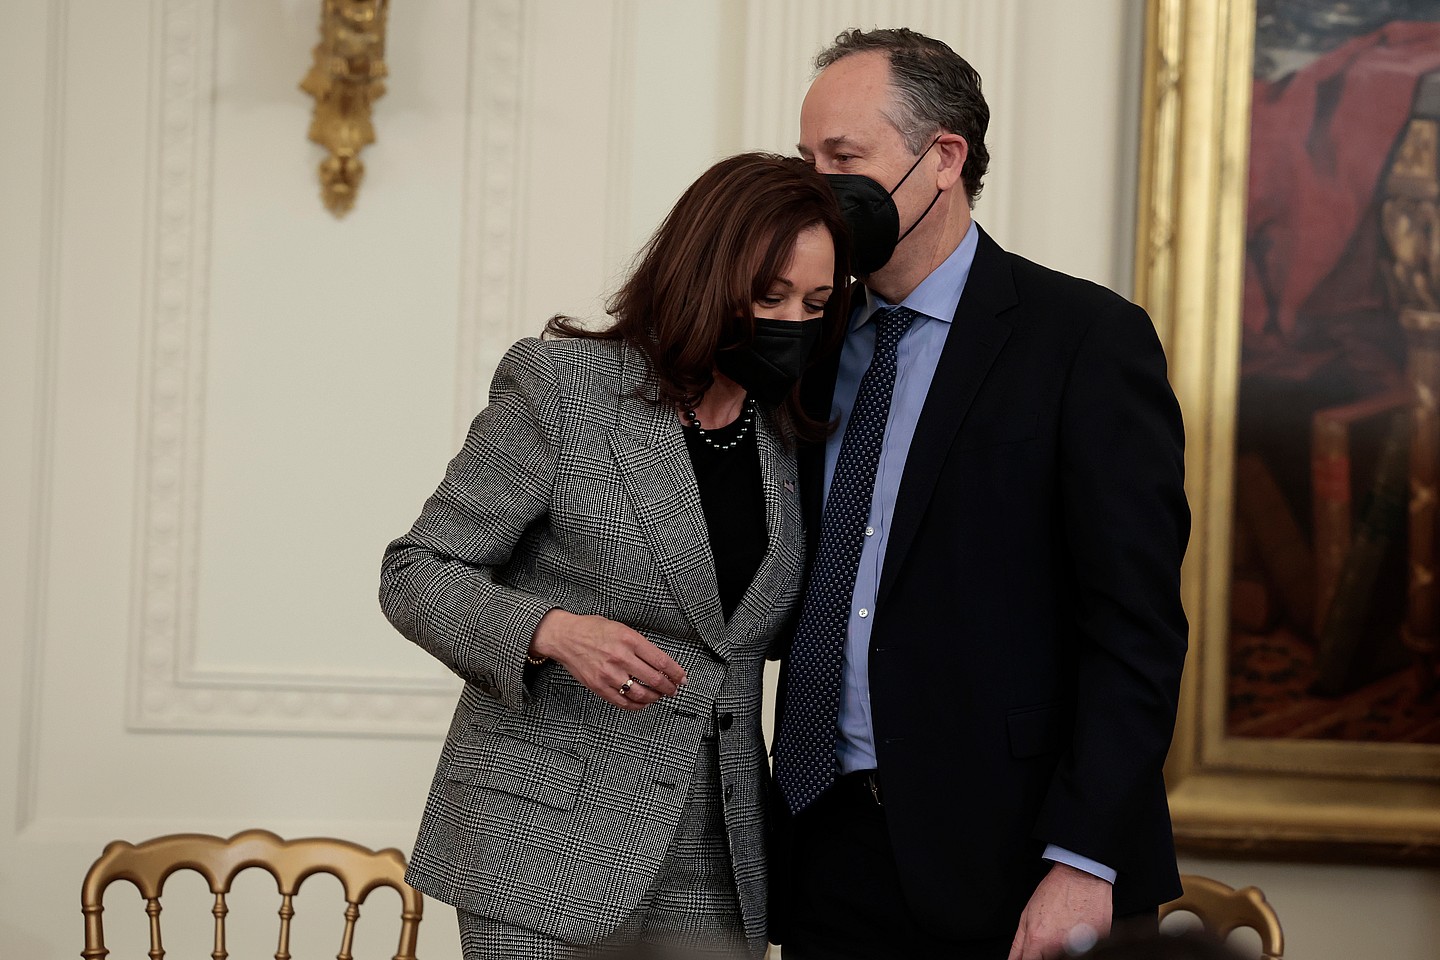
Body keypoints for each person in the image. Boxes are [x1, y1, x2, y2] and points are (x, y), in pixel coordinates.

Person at [769, 28, 1191, 960]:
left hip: (1024, 861)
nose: (818, 186)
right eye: (806, 160)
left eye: (844, 159)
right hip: (825, 842)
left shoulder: (1086, 340)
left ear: (943, 159)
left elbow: (1136, 630)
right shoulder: (807, 335)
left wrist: (1084, 858)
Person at [379, 152, 850, 960]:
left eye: (814, 303)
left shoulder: (792, 434)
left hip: (718, 850)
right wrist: (553, 631)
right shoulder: (563, 388)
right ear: (705, 274)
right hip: (539, 841)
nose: (792, 325)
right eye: (768, 296)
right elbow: (416, 572)